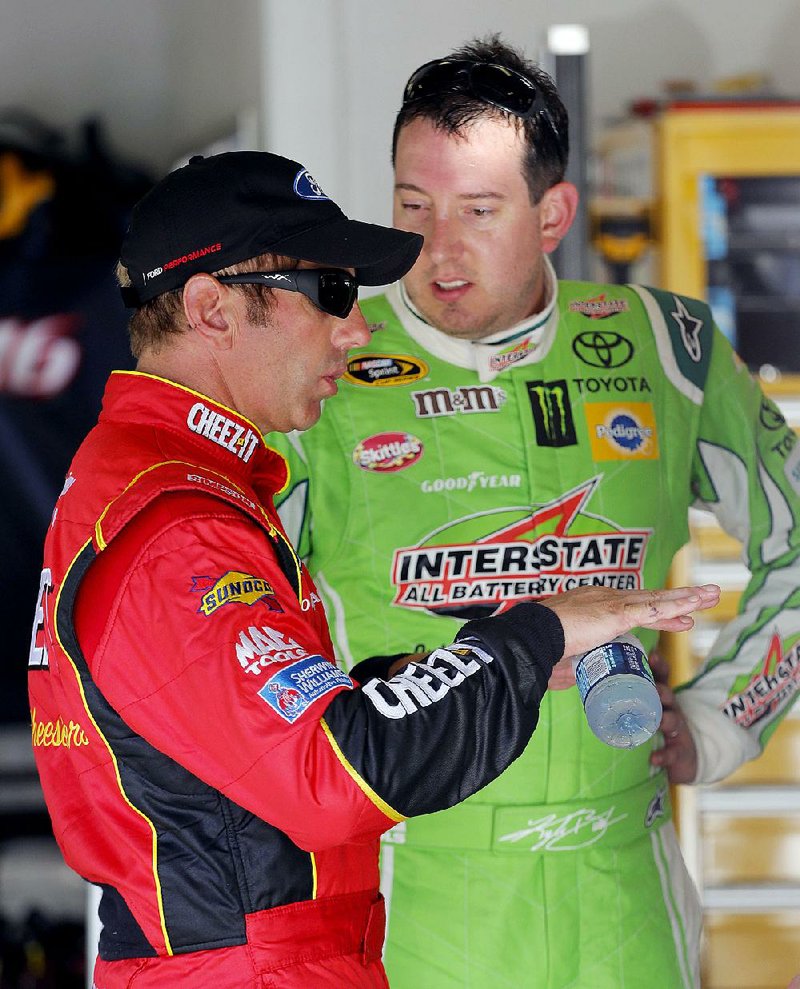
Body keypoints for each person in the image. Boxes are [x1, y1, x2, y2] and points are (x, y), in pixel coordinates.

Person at [25, 150, 718, 989]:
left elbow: (257, 736)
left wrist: (500, 655)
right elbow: (328, 772)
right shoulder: (180, 524)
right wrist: (535, 635)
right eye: (331, 292)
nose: (356, 330)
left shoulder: (168, 482)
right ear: (211, 307)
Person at [267, 36, 800, 989]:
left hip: (623, 890)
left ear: (553, 212)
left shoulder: (662, 349)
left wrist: (723, 721)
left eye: (477, 211)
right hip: (411, 890)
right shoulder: (327, 369)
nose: (437, 250)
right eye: (412, 207)